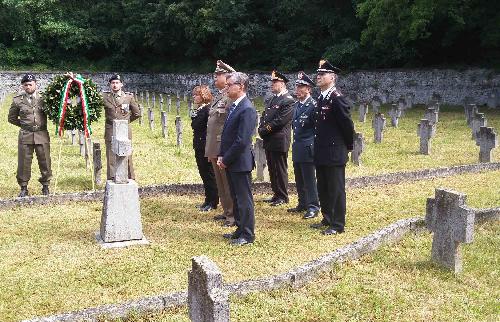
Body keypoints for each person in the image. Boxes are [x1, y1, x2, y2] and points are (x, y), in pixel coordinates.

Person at [310, 59, 354, 235]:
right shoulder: (321, 97)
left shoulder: (337, 98)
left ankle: (337, 224)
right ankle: (327, 217)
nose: (318, 77)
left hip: (335, 150)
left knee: (335, 188)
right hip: (321, 150)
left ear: (333, 77)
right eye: (318, 74)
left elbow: (347, 125)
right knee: (323, 186)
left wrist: (347, 146)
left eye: (323, 74)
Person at [217, 72, 257, 246]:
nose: (226, 87)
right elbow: (227, 134)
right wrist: (221, 154)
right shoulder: (235, 106)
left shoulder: (247, 108)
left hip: (239, 162)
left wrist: (225, 159)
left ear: (240, 86)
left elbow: (242, 141)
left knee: (244, 199)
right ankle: (239, 229)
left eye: (229, 84)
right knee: (236, 197)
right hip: (232, 161)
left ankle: (247, 234)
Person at [8, 73, 52, 197]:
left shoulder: (44, 98)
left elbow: (52, 112)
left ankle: (45, 186)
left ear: (35, 85)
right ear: (23, 86)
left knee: (45, 161)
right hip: (25, 135)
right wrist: (25, 125)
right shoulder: (18, 100)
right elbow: (11, 118)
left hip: (41, 134)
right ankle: (23, 187)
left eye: (30, 84)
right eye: (25, 85)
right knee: (24, 162)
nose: (28, 87)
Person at [205, 60, 236, 224]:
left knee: (227, 183)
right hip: (214, 146)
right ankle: (226, 211)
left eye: (218, 75)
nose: (215, 78)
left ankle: (232, 215)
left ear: (227, 77)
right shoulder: (220, 96)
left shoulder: (230, 97)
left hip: (222, 146)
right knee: (220, 182)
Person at [258, 70, 294, 206]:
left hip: (279, 139)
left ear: (282, 83)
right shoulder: (273, 98)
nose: (272, 84)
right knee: (272, 168)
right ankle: (276, 193)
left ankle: (283, 196)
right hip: (269, 139)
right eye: (272, 82)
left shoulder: (288, 100)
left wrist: (264, 130)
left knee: (280, 169)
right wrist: (261, 127)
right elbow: (264, 115)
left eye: (275, 82)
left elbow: (280, 121)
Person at [288, 72, 320, 219]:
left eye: (301, 86)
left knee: (309, 179)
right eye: (297, 86)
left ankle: (313, 206)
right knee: (299, 178)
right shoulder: (297, 105)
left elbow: (317, 129)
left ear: (309, 89)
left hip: (308, 147)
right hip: (298, 147)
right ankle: (303, 203)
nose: (298, 89)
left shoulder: (313, 105)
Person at [102, 74, 140, 181]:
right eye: (113, 83)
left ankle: (130, 178)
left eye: (117, 83)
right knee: (110, 155)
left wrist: (125, 122)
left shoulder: (128, 97)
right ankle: (111, 179)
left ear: (121, 84)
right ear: (110, 85)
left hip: (124, 130)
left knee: (126, 154)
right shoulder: (105, 97)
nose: (115, 85)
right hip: (110, 129)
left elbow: (137, 113)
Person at [191, 85, 219, 211]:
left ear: (203, 96)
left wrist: (194, 117)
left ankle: (212, 201)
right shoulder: (200, 109)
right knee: (204, 174)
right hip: (199, 144)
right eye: (194, 95)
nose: (194, 97)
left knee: (209, 174)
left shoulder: (206, 110)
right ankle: (207, 199)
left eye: (197, 94)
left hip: (205, 145)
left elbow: (198, 126)